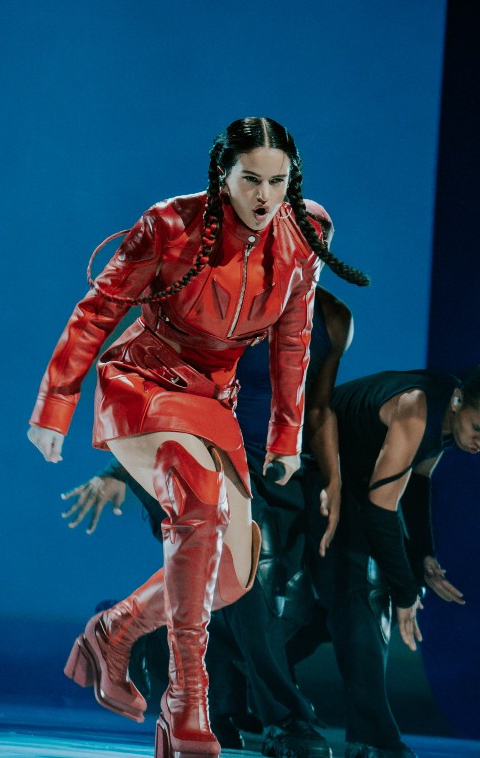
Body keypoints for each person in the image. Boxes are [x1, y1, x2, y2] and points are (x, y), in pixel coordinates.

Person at [29, 117, 369, 757]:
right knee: (201, 508)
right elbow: (98, 310)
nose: (264, 195)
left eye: (278, 181)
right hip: (142, 382)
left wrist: (286, 438)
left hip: (213, 401)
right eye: (251, 179)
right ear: (222, 175)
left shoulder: (303, 235)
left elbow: (293, 340)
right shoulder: (170, 224)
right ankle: (186, 703)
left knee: (234, 577)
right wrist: (55, 404)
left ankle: (115, 631)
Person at [60, 282, 353, 758]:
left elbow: (317, 407)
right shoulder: (231, 293)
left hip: (280, 472)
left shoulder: (334, 319)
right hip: (207, 454)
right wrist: (119, 468)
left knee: (266, 600)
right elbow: (165, 375)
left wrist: (333, 482)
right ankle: (285, 719)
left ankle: (141, 640)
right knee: (249, 581)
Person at [314, 364, 480, 758]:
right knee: (365, 590)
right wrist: (406, 593)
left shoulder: (452, 418)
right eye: (478, 430)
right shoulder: (416, 410)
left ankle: (236, 688)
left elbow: (418, 481)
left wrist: (423, 556)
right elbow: (380, 510)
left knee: (329, 609)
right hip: (317, 463)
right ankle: (371, 735)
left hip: (358, 480)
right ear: (458, 401)